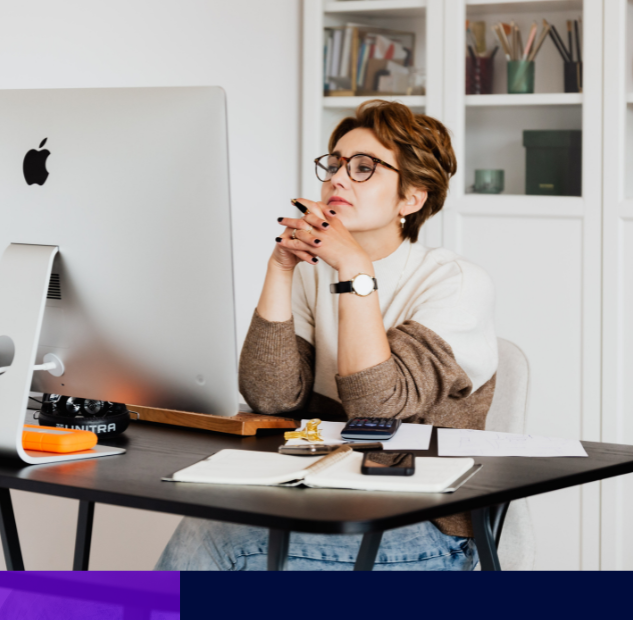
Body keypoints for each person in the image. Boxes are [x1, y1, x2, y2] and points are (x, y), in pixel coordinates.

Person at [155, 100, 498, 571]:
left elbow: (376, 410)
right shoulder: (313, 273)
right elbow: (270, 396)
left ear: (411, 198)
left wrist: (356, 270)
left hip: (426, 527)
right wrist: (281, 266)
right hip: (321, 497)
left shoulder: (456, 282)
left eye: (363, 168)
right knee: (207, 515)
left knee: (213, 536)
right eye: (335, 163)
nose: (337, 178)